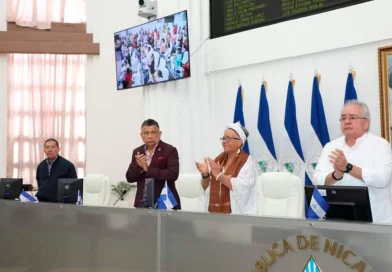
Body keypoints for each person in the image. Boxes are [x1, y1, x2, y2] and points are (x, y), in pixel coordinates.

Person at [314, 100, 392, 223]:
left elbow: (382, 179)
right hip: (338, 220)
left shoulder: (381, 145)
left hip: (377, 221)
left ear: (366, 123)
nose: (347, 121)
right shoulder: (330, 146)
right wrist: (336, 175)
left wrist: (348, 168)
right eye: (343, 118)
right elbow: (318, 180)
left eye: (353, 117)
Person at [195, 122, 258, 215]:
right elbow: (205, 188)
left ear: (239, 142)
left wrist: (220, 175)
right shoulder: (219, 160)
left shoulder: (247, 162)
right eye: (223, 138)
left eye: (228, 138)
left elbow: (242, 189)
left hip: (237, 217)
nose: (224, 141)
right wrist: (205, 175)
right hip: (213, 216)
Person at [126, 119, 181, 209]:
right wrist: (139, 168)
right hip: (142, 202)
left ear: (159, 134)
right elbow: (130, 178)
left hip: (165, 202)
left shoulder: (169, 150)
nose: (150, 136)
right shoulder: (137, 151)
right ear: (141, 135)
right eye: (146, 133)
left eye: (153, 132)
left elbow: (173, 174)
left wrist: (148, 169)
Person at [35, 138, 77, 202]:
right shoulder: (41, 166)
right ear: (44, 150)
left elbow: (74, 187)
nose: (50, 150)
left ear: (58, 149)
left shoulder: (68, 165)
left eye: (53, 147)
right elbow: (39, 183)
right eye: (47, 147)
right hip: (43, 203)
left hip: (60, 204)